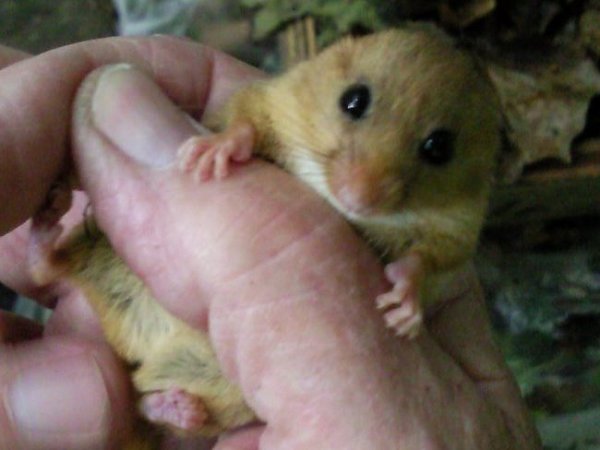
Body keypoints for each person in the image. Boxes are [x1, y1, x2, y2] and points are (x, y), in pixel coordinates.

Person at [0, 36, 542, 449]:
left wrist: (417, 271)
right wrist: (238, 137)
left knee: (265, 382)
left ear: (477, 164)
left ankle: (174, 409)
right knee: (100, 248)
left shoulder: (448, 209)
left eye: (434, 148)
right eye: (356, 105)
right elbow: (257, 108)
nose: (366, 184)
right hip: (138, 293)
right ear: (336, 66)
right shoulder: (299, 100)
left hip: (220, 355)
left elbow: (448, 244)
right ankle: (50, 257)